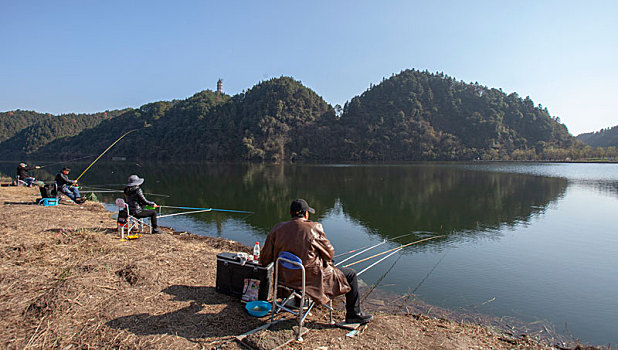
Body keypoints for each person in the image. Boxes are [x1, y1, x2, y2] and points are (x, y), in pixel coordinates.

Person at [259, 199, 373, 324]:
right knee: (350, 274)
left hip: (285, 278)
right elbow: (329, 253)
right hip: (309, 280)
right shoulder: (314, 228)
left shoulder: (277, 229)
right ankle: (354, 314)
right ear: (306, 214)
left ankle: (298, 300)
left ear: (290, 213)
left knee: (297, 265)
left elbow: (265, 259)